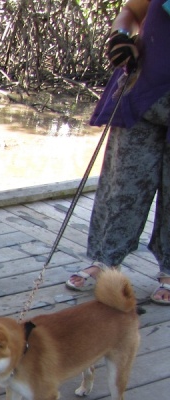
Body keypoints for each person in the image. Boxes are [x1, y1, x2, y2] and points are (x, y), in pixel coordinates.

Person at [65, 0, 170, 306]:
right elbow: (131, 13)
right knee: (120, 183)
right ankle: (104, 261)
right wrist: (120, 36)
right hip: (144, 93)